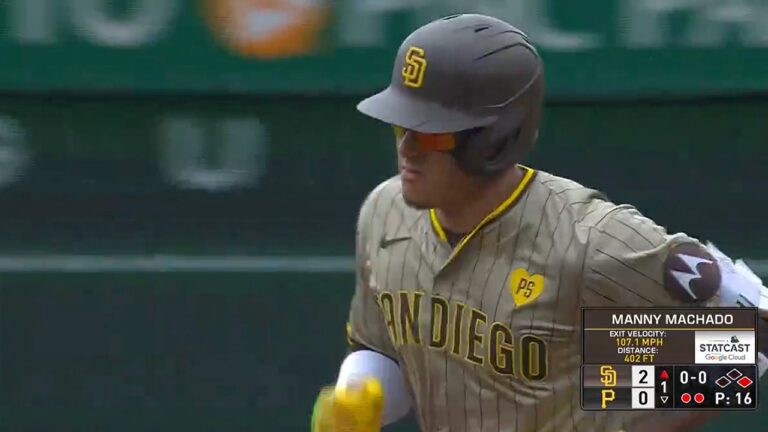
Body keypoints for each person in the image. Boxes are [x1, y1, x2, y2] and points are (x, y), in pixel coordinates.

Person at [311, 13, 768, 432]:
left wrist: (626, 412)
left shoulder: (589, 238)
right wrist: (360, 396)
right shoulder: (385, 213)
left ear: (492, 140)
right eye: (398, 126)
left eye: (429, 132)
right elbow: (383, 349)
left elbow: (754, 332)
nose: (406, 149)